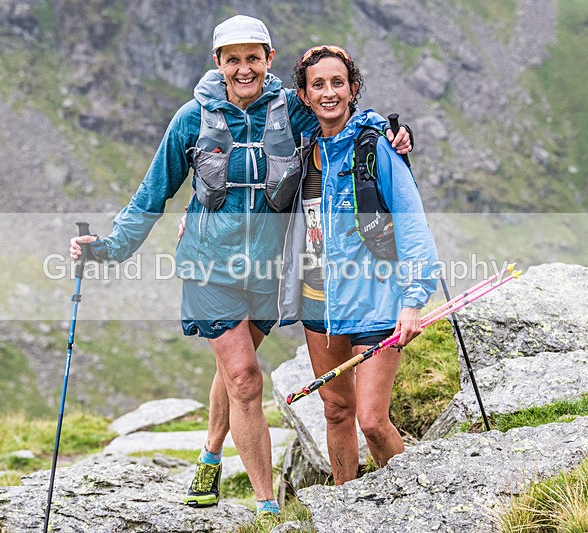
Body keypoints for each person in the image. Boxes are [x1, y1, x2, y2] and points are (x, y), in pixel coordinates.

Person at [69, 15, 413, 528]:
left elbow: (338, 113)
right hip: (210, 268)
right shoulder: (192, 118)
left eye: (254, 57)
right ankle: (266, 509)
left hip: (270, 274)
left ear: (269, 59)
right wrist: (110, 247)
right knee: (244, 377)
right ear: (218, 63)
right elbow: (153, 192)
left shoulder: (292, 110)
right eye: (233, 58)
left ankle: (210, 450)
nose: (244, 67)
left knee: (236, 364)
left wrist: (393, 134)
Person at [279, 45, 438, 485]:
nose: (328, 92)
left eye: (337, 83)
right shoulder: (302, 151)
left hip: (376, 301)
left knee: (371, 419)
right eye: (318, 85)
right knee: (335, 411)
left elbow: (411, 223)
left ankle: (412, 502)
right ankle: (346, 510)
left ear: (352, 90)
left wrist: (413, 300)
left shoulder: (377, 148)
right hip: (319, 306)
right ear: (304, 96)